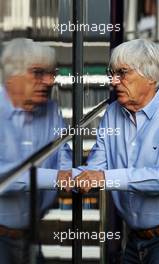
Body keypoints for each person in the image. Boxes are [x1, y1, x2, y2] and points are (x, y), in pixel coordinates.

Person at [70, 39, 159, 263]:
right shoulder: (112, 113)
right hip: (134, 243)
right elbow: (96, 170)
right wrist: (59, 177)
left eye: (123, 73)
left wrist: (103, 177)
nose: (114, 81)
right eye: (112, 73)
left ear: (151, 77)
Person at [0, 38, 72, 264]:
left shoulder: (50, 109)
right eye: (38, 73)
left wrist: (68, 172)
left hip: (30, 236)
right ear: (13, 76)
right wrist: (58, 178)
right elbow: (5, 176)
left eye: (52, 73)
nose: (49, 81)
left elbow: (63, 152)